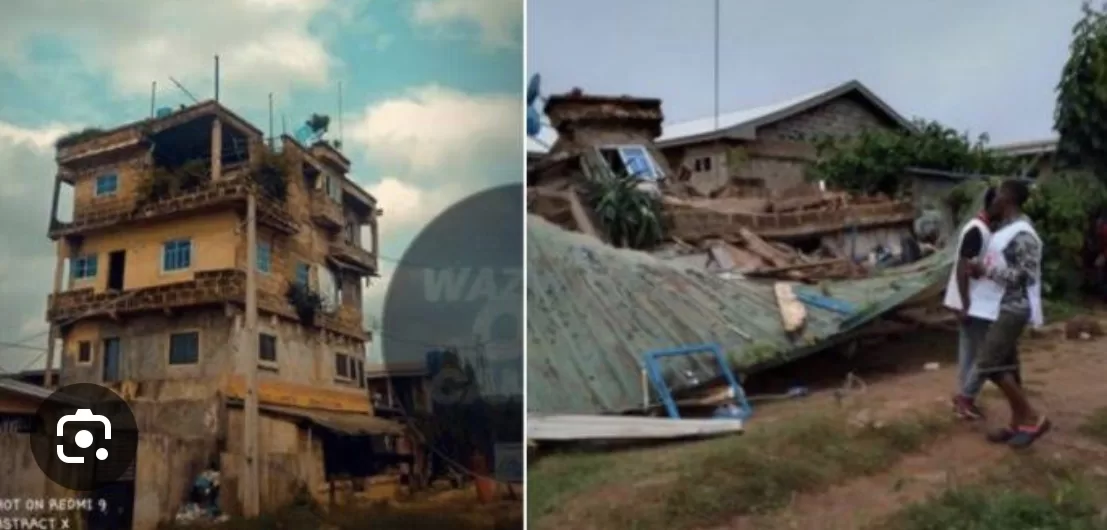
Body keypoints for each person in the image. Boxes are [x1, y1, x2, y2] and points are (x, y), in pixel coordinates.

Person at [968, 178, 1049, 448]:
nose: (995, 198)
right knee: (1008, 367)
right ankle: (1017, 423)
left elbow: (1024, 276)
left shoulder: (1023, 234)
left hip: (1015, 306)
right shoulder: (1006, 229)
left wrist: (985, 270)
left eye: (1000, 193)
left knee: (988, 363)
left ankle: (1032, 416)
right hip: (1001, 304)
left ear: (1009, 199)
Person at [942, 186, 995, 420]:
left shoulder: (980, 228)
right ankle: (966, 398)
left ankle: (964, 399)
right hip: (972, 302)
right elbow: (965, 268)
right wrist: (965, 305)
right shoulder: (977, 230)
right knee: (982, 353)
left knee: (969, 352)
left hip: (971, 300)